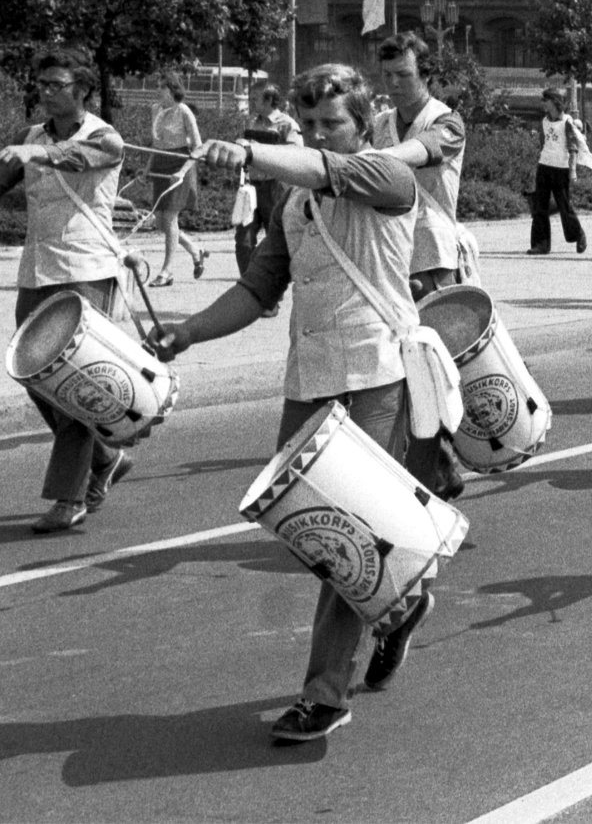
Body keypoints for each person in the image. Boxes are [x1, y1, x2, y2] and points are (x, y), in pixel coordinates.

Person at [150, 63, 437, 743]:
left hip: (376, 374)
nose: (315, 136)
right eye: (306, 125)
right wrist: (187, 331)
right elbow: (256, 291)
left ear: (364, 126)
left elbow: (328, 172)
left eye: (330, 124)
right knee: (298, 521)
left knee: (344, 537)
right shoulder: (292, 203)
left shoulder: (388, 178)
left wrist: (249, 151)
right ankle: (397, 602)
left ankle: (325, 693)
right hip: (308, 376)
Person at [0, 49, 134, 534]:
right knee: (34, 374)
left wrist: (35, 154)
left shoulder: (103, 135)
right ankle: (105, 456)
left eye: (57, 84)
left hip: (85, 268)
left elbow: (80, 159)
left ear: (82, 90)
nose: (47, 91)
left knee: (73, 381)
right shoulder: (29, 137)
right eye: (43, 84)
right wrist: (20, 156)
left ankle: (68, 497)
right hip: (37, 270)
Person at [372, 31, 468, 501]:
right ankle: (436, 464)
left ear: (426, 75)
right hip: (391, 258)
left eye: (403, 75)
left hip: (433, 258)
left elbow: (425, 152)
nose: (393, 84)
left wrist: (371, 162)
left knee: (432, 366)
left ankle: (437, 461)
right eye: (387, 75)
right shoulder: (380, 123)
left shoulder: (447, 122)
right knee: (400, 367)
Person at [146, 70, 210, 287]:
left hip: (180, 165)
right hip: (161, 165)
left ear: (173, 90)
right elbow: (156, 144)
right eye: (158, 86)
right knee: (161, 223)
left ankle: (166, 271)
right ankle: (195, 250)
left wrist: (182, 172)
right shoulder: (155, 109)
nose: (157, 90)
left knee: (171, 219)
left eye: (162, 86)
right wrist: (146, 169)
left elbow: (199, 147)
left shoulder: (184, 111)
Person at [235, 84, 302, 280]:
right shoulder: (251, 123)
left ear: (269, 100)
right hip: (250, 187)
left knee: (275, 242)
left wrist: (262, 150)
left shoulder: (287, 125)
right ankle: (249, 289)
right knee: (243, 240)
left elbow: (296, 154)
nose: (251, 102)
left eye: (255, 98)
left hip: (275, 187)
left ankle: (272, 295)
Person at [527, 88, 587, 255]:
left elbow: (573, 147)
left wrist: (573, 170)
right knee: (540, 206)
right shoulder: (544, 122)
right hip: (544, 166)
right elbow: (543, 144)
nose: (543, 103)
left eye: (546, 100)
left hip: (561, 169)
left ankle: (578, 233)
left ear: (554, 102)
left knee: (564, 205)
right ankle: (541, 244)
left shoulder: (568, 122)